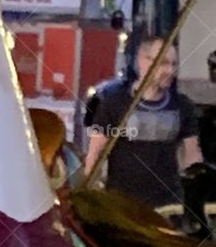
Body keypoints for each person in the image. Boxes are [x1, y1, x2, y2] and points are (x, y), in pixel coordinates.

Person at [84, 33, 202, 208]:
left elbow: (192, 156)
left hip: (169, 208)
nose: (170, 71)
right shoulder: (113, 103)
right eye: (163, 63)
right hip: (123, 207)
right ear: (142, 61)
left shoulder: (183, 106)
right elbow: (94, 156)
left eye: (174, 64)